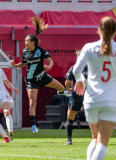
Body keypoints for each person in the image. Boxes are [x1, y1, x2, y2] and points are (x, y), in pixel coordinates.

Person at [73, 16, 116, 160]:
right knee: (102, 142)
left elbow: (76, 70)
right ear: (114, 32)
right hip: (109, 101)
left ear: (99, 30)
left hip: (91, 100)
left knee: (94, 138)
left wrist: (80, 80)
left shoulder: (89, 47)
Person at [10, 34, 71, 133]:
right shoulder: (24, 51)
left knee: (61, 88)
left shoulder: (40, 50)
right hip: (31, 79)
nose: (25, 43)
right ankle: (33, 125)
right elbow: (22, 64)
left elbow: (51, 61)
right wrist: (14, 65)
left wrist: (49, 67)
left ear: (32, 42)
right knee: (32, 102)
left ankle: (62, 92)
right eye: (25, 41)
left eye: (27, 41)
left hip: (42, 76)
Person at [64, 51, 88, 145]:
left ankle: (69, 140)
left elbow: (67, 82)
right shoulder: (91, 68)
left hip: (78, 95)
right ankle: (99, 140)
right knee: (96, 119)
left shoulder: (74, 68)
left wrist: (68, 89)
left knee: (70, 119)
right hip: (90, 95)